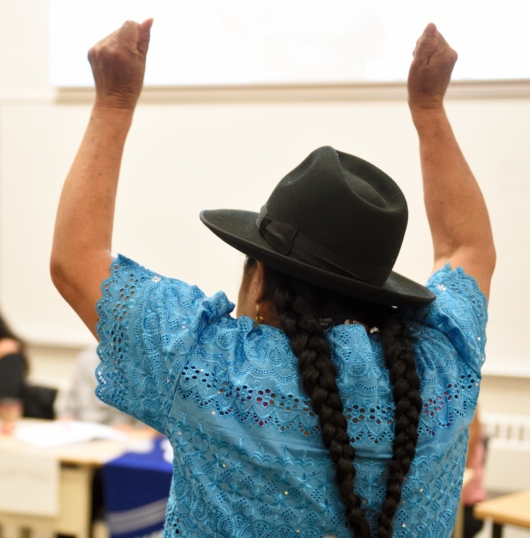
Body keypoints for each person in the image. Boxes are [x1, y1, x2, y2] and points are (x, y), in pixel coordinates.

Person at [51, 19, 494, 538]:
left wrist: (114, 101)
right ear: (381, 295)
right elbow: (467, 246)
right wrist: (430, 109)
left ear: (259, 283)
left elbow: (75, 258)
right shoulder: (444, 368)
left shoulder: (209, 369)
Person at [57, 346, 137, 426]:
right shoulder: (86, 359)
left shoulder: (142, 361)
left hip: (129, 434)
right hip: (88, 431)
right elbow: (66, 411)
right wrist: (66, 424)